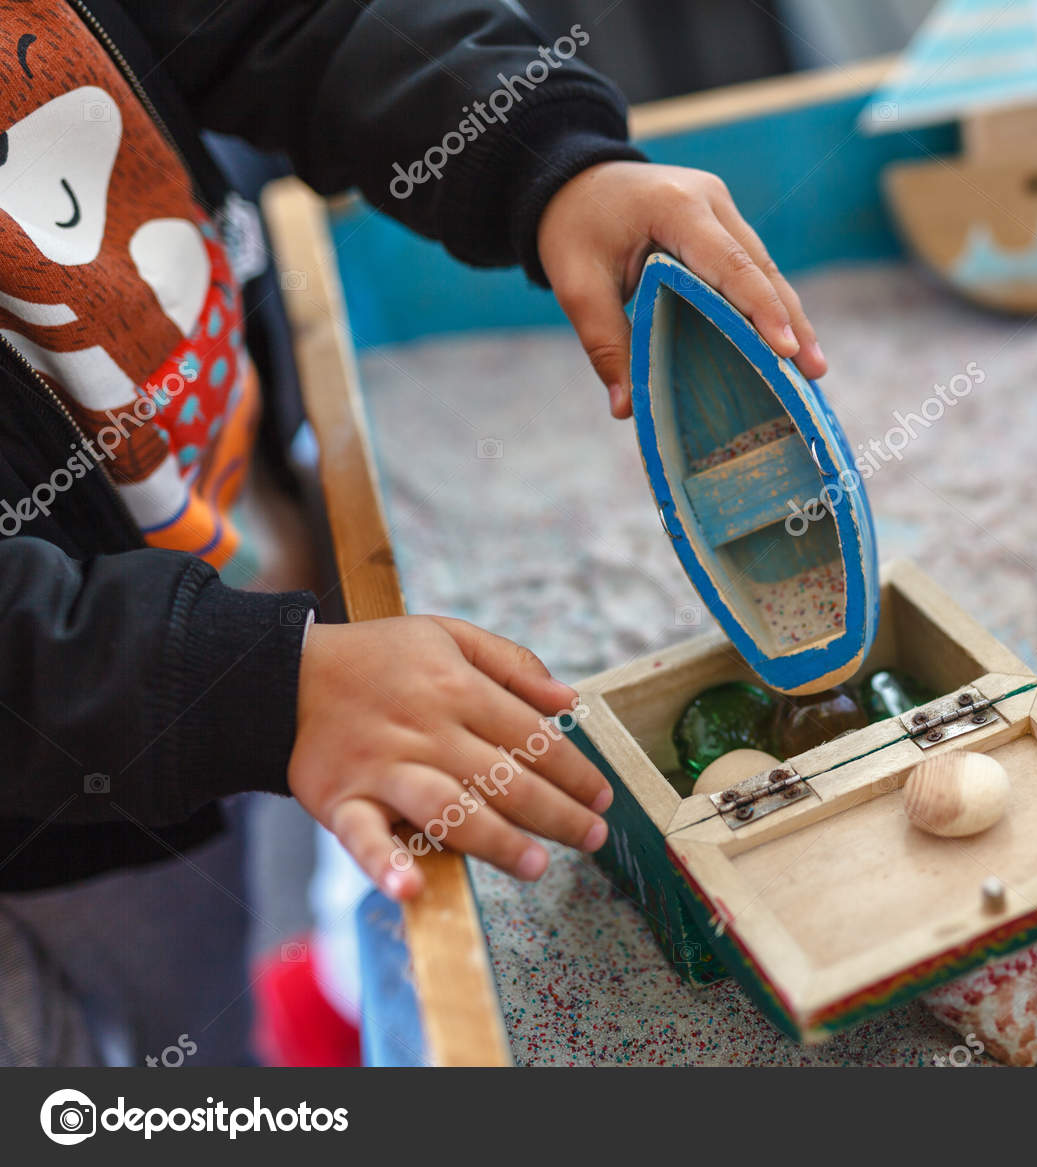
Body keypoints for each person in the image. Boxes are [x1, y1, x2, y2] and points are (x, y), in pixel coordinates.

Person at [0, 0, 825, 1066]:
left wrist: (549, 155)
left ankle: (278, 1005)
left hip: (240, 550)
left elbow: (297, 21)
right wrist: (251, 689)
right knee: (159, 1009)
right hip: (61, 801)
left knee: (264, 856)